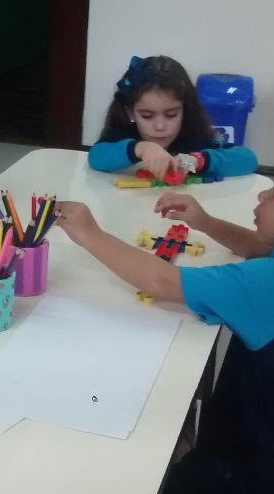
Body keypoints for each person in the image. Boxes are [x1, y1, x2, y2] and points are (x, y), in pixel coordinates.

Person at [55, 189, 274, 494]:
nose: (263, 194)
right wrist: (207, 223)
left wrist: (90, 234)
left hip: (248, 466)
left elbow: (162, 281)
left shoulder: (264, 282)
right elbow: (260, 249)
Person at [88, 55, 258, 180]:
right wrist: (140, 148)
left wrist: (197, 161)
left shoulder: (194, 136)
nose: (160, 126)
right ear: (130, 113)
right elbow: (96, 157)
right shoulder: (123, 133)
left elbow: (248, 159)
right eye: (147, 116)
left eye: (171, 115)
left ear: (185, 110)